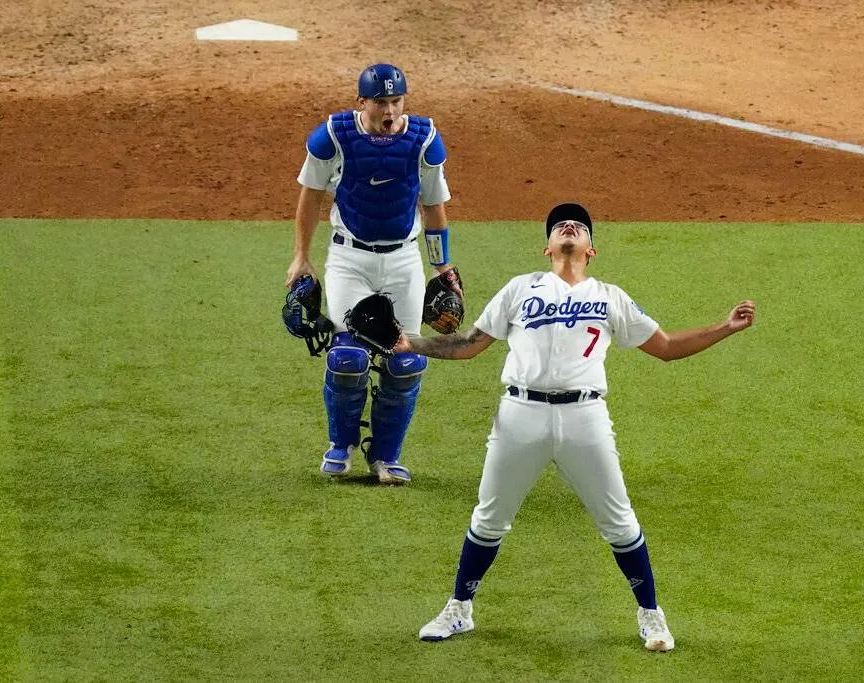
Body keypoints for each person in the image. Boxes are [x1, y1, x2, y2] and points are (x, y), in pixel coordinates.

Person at [394, 202, 756, 651]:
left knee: (619, 522)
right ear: (547, 248)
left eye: (579, 227)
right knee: (489, 519)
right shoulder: (518, 289)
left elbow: (665, 347)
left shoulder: (610, 297)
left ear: (592, 249)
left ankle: (651, 616)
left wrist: (725, 327)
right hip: (518, 415)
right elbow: (469, 344)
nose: (570, 227)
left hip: (585, 417)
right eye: (561, 226)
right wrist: (411, 342)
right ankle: (459, 609)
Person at [285, 63, 461, 485]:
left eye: (396, 101)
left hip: (403, 261)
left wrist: (442, 265)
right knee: (348, 358)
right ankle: (340, 446)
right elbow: (309, 198)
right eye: (380, 102)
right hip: (350, 260)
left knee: (407, 360)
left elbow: (434, 207)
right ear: (361, 102)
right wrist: (301, 257)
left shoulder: (424, 142)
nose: (389, 110)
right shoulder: (332, 137)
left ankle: (385, 457)